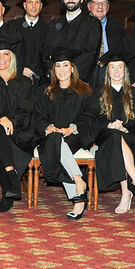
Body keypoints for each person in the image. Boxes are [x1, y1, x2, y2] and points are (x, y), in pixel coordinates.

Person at [87, 51, 135, 213]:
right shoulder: (98, 92)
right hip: (106, 135)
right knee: (115, 136)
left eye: (120, 67)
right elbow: (93, 119)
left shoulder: (134, 93)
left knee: (119, 136)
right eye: (112, 67)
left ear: (125, 70)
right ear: (107, 71)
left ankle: (126, 193)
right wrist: (109, 125)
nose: (116, 71)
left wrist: (124, 127)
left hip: (129, 135)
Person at [35, 48, 94, 220]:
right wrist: (49, 127)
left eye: (66, 65)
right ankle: (79, 184)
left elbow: (90, 117)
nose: (62, 70)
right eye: (58, 66)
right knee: (55, 139)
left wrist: (72, 128)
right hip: (50, 136)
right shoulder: (45, 91)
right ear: (53, 70)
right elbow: (38, 115)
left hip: (74, 136)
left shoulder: (85, 91)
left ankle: (78, 195)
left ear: (72, 68)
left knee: (59, 145)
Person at [0, 36, 35, 212]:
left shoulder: (24, 82)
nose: (2, 58)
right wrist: (1, 119)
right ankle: (11, 180)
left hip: (20, 130)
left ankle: (8, 187)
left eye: (6, 54)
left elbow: (27, 109)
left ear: (12, 57)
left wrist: (11, 121)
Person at [41, 0, 100, 83]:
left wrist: (70, 73)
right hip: (55, 80)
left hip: (79, 80)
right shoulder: (54, 24)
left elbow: (91, 52)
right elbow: (45, 51)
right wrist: (54, 71)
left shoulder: (92, 23)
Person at [10, 0, 51, 84]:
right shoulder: (13, 26)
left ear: (41, 6)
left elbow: (47, 54)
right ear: (24, 5)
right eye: (30, 2)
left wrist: (33, 70)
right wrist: (21, 70)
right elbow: (10, 51)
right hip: (16, 77)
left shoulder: (48, 28)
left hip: (40, 78)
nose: (34, 6)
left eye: (37, 2)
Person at [85, 0, 124, 88]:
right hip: (88, 70)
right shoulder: (82, 24)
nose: (100, 7)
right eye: (96, 3)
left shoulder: (117, 25)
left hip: (110, 70)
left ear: (108, 7)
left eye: (104, 3)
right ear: (89, 6)